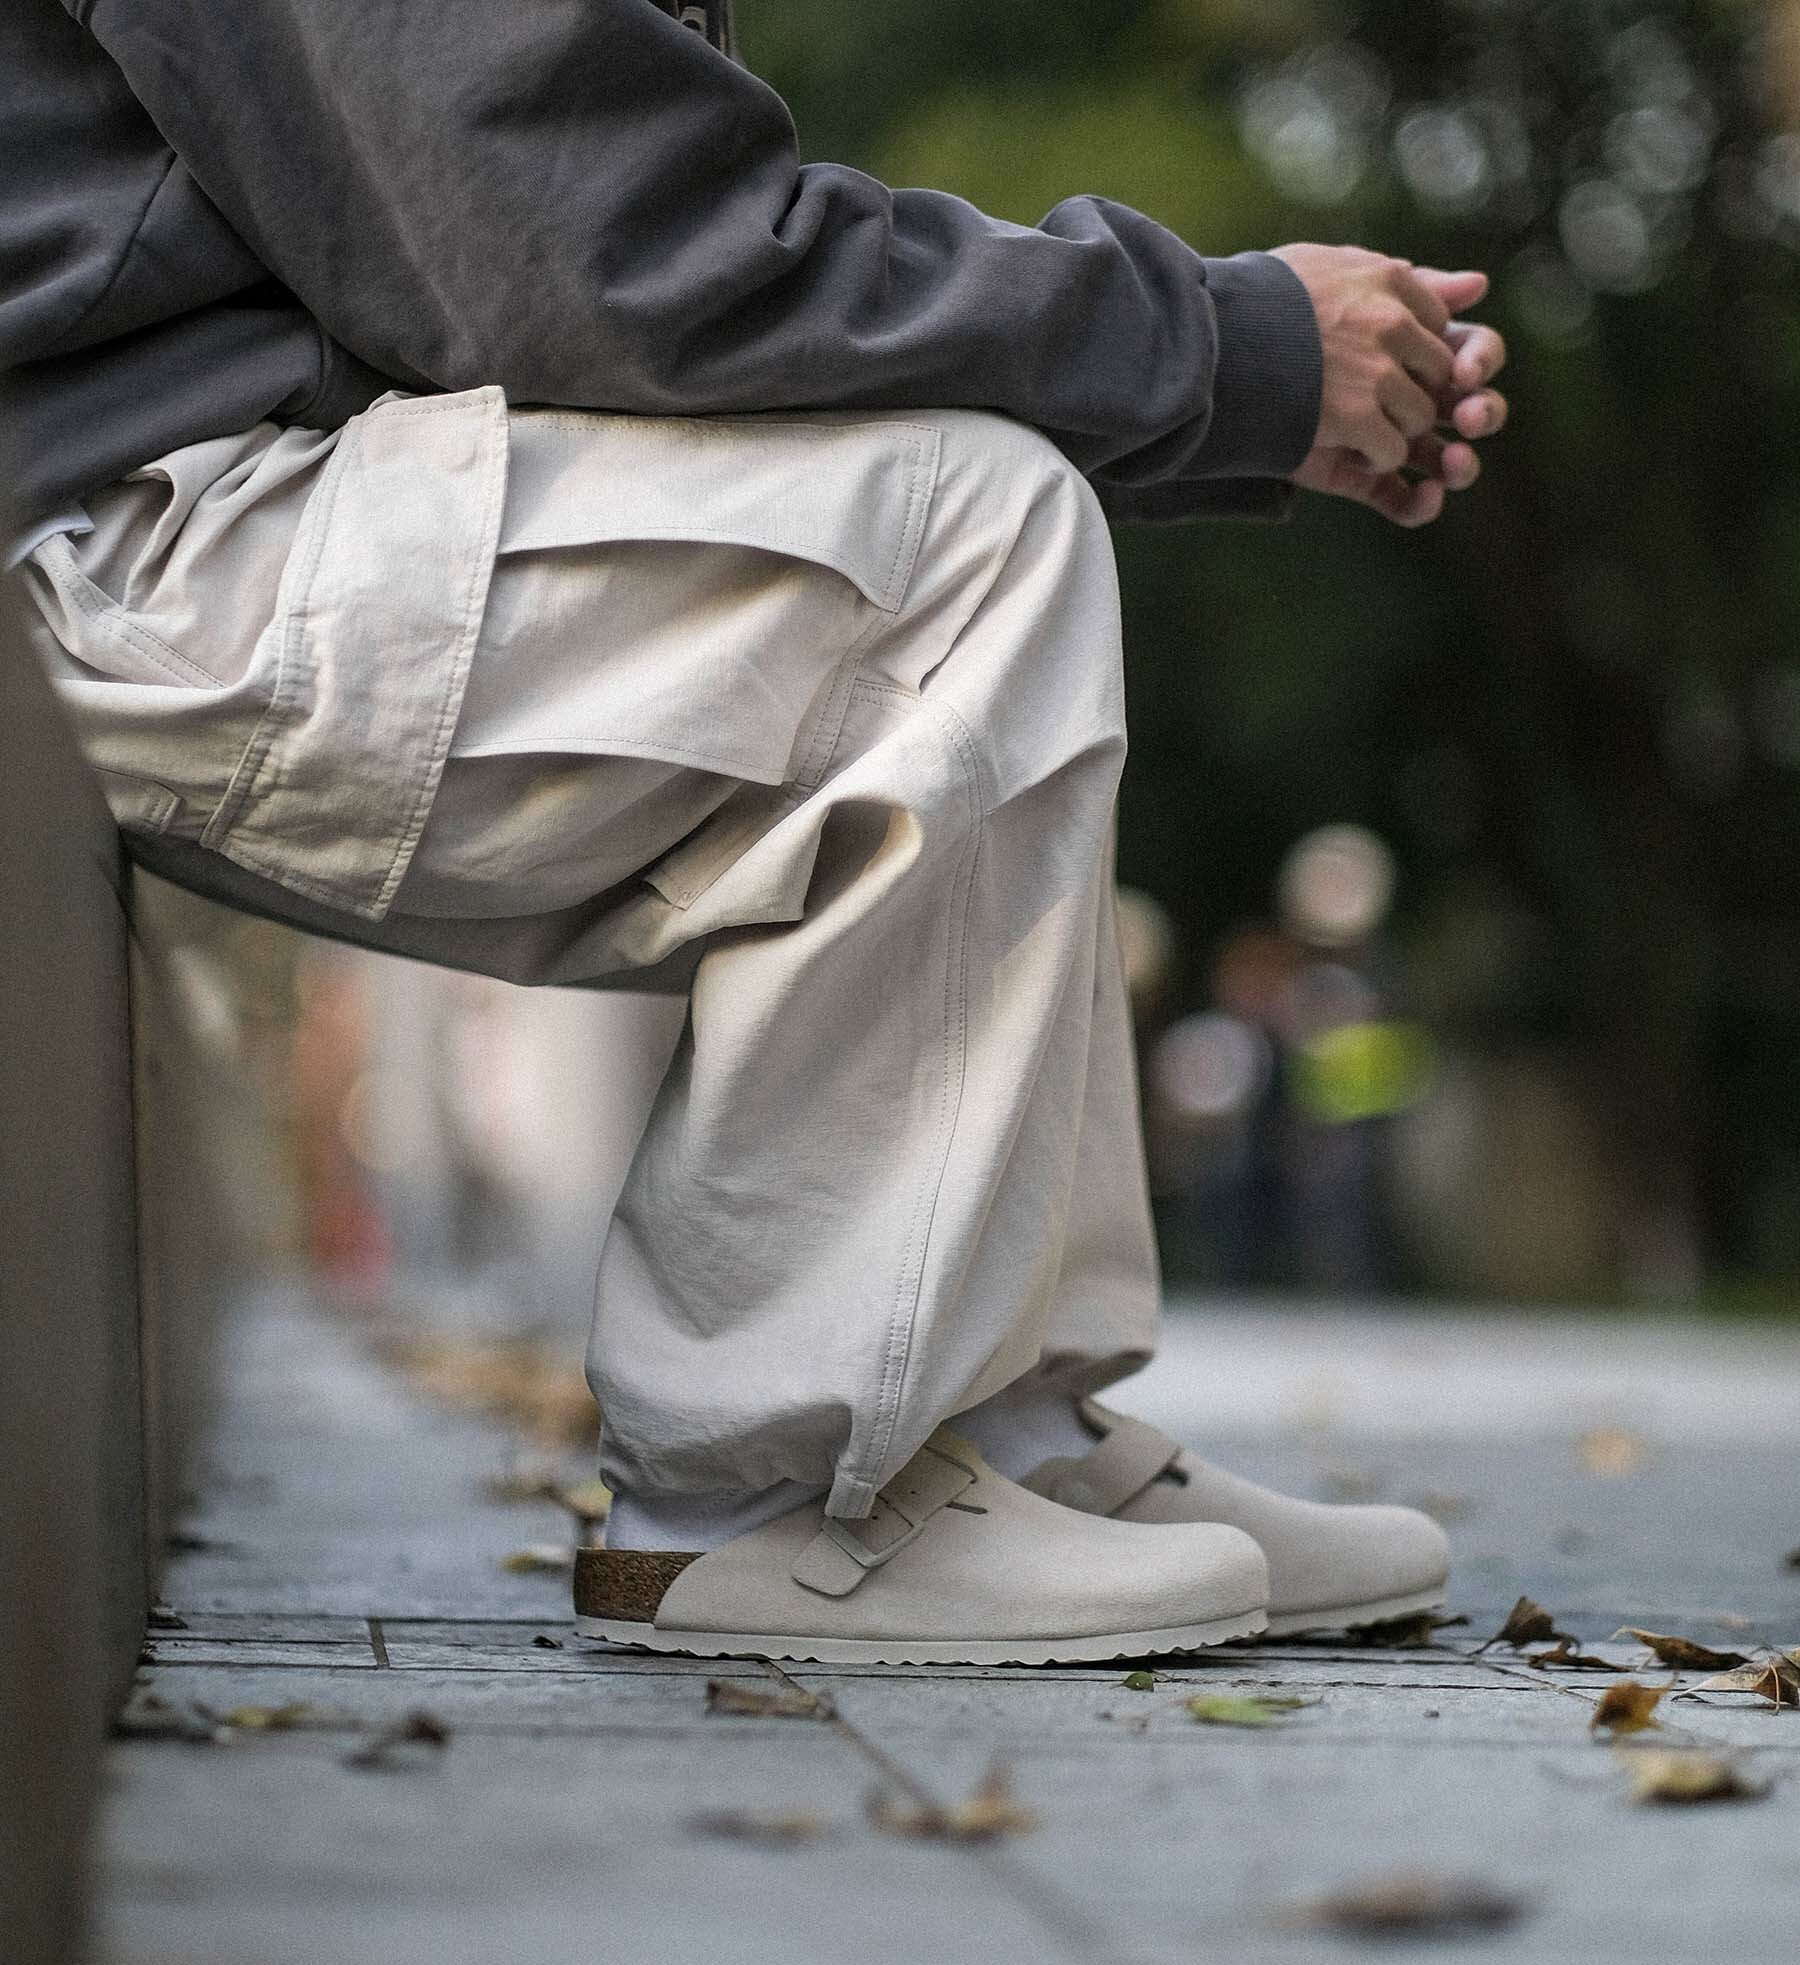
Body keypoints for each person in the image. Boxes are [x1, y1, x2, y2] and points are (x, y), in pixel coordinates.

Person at [2, 0, 1505, 1664]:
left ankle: (997, 1428)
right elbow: (603, 243)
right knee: (965, 534)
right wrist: (1229, 350)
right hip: (116, 534)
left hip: (163, 498)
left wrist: (1225, 368)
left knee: (971, 504)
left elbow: (587, 241)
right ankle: (781, 1492)